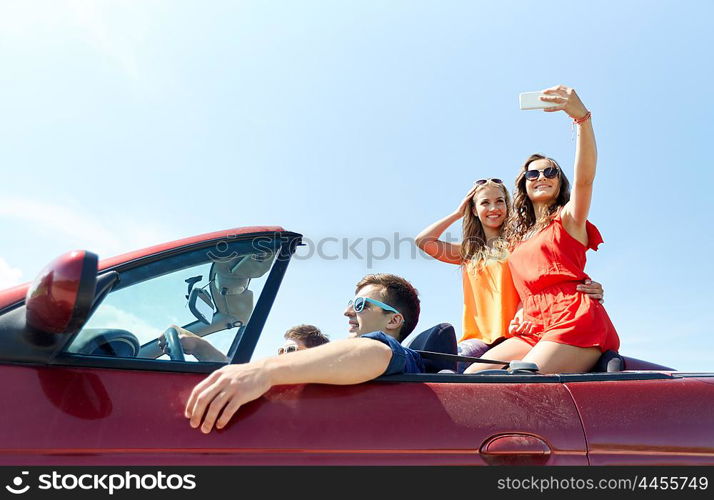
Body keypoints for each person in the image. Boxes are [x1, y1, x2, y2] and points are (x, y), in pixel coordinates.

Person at [465, 84, 619, 374]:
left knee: (521, 378)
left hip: (572, 317)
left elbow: (585, 179)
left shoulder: (568, 219)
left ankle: (599, 361)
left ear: (560, 181)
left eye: (550, 172)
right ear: (523, 184)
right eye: (532, 173)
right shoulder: (515, 238)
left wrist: (582, 119)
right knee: (473, 375)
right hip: (533, 323)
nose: (541, 177)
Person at [182, 273, 424, 433]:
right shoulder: (344, 364)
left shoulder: (396, 355)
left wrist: (264, 370)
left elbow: (376, 351)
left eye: (360, 305)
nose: (347, 311)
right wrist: (202, 348)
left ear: (393, 320)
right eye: (351, 303)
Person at [415, 173, 603, 361]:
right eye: (485, 203)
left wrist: (583, 286)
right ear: (473, 210)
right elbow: (423, 241)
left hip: (518, 334)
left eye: (500, 201)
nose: (493, 208)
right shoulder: (468, 252)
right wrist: (457, 213)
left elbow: (552, 271)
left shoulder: (520, 245)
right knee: (446, 363)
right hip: (478, 339)